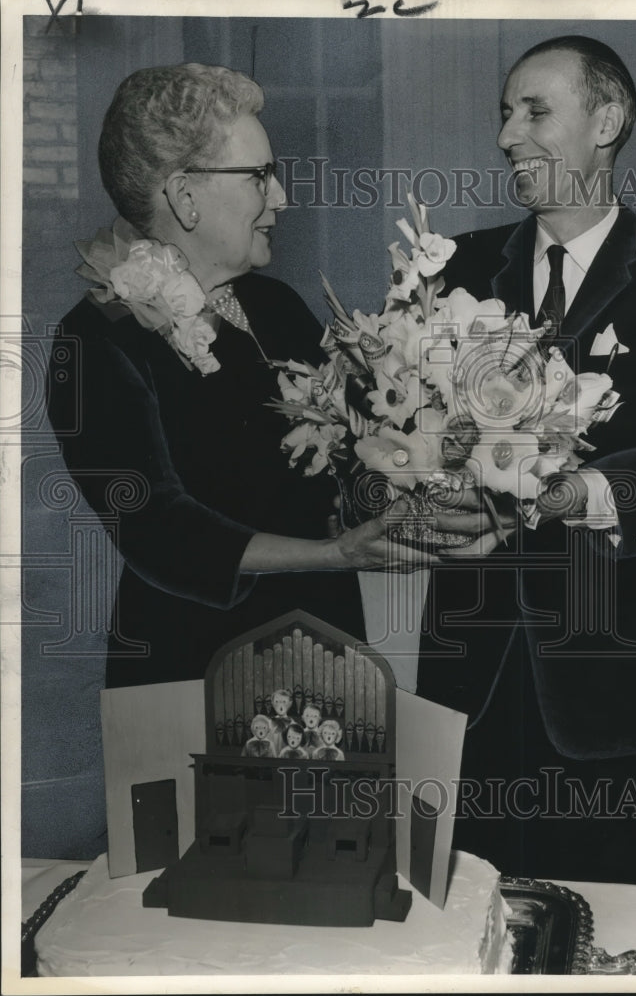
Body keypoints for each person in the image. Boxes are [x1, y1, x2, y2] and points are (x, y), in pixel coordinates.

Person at [46, 63, 434, 690]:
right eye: (259, 176)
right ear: (184, 196)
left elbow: (360, 448)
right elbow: (157, 530)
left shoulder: (277, 305)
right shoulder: (94, 338)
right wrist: (332, 555)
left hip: (325, 649)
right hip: (195, 670)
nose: (280, 197)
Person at [417, 36, 636, 886]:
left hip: (617, 683)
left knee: (618, 925)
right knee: (471, 919)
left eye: (534, 111)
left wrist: (578, 492)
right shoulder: (454, 270)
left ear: (605, 120)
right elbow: (413, 431)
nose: (508, 135)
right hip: (472, 679)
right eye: (503, 113)